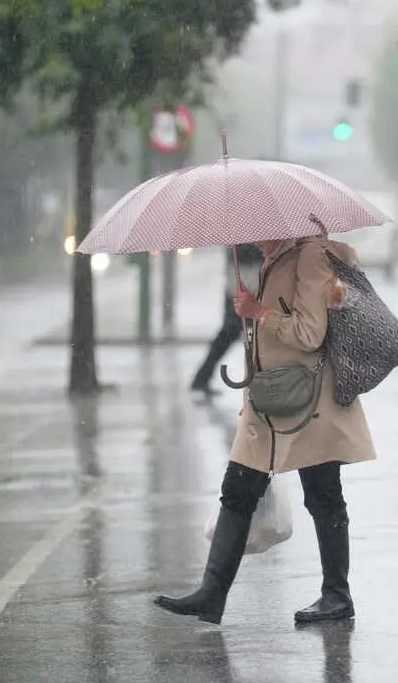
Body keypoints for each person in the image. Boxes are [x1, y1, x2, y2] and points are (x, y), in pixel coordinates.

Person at [155, 235, 375, 625]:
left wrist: (259, 311)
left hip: (310, 402)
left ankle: (337, 596)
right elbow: (262, 339)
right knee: (238, 491)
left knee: (323, 494)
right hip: (270, 399)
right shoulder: (272, 258)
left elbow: (310, 333)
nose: (252, 238)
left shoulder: (308, 257)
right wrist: (251, 388)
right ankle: (212, 594)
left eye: (259, 231)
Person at [191, 244, 264, 396]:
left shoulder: (237, 237)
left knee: (232, 337)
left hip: (240, 289)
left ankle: (202, 378)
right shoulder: (247, 238)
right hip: (244, 291)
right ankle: (202, 378)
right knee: (234, 336)